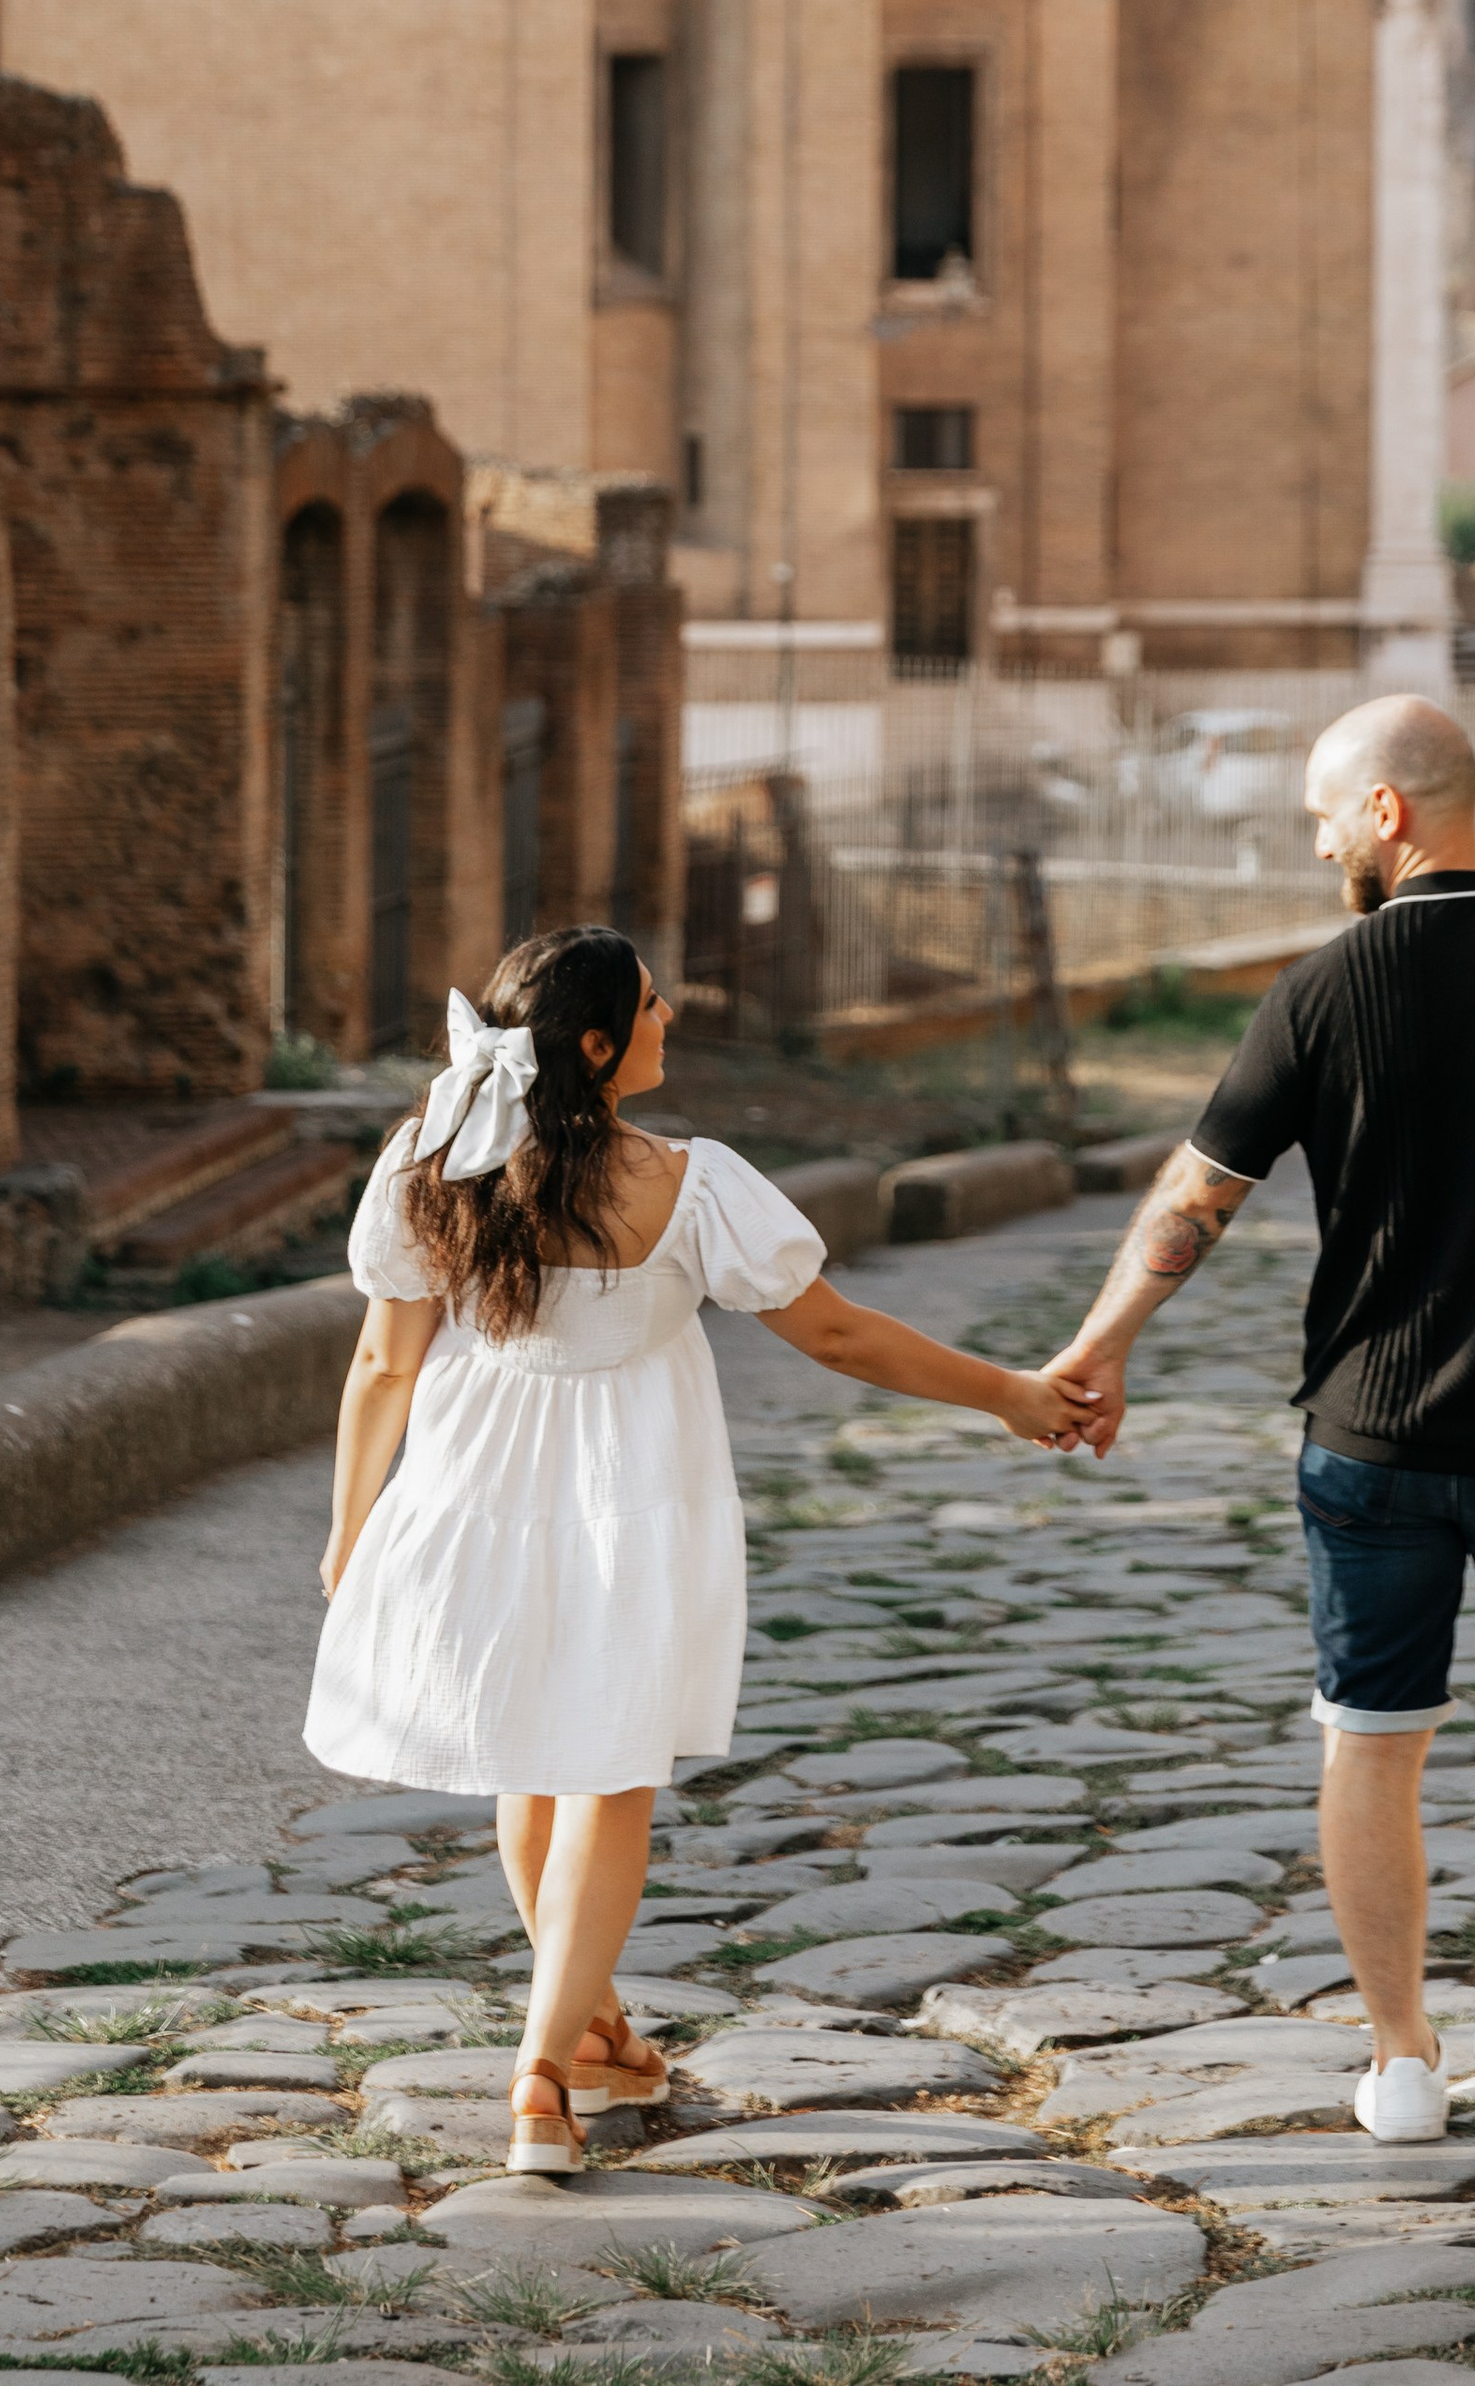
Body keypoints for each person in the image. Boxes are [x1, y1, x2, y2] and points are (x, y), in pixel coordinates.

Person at [306, 923, 1091, 2178]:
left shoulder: (432, 1157)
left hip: (472, 1487)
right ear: (604, 1043)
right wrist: (1006, 1392)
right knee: (608, 1781)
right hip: (631, 1498)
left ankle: (596, 2032)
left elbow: (382, 1359)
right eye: (657, 1007)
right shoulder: (692, 1180)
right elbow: (836, 1339)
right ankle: (542, 2077)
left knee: (534, 1762)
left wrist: (353, 1527)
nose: (676, 1019)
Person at [1044, 694, 1475, 2147]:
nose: (1321, 838)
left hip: (1371, 1443)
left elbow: (1196, 1199)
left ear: (1392, 812)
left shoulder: (1320, 990)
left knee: (1373, 1741)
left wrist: (1096, 1351)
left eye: (1328, 813)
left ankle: (1403, 2062)